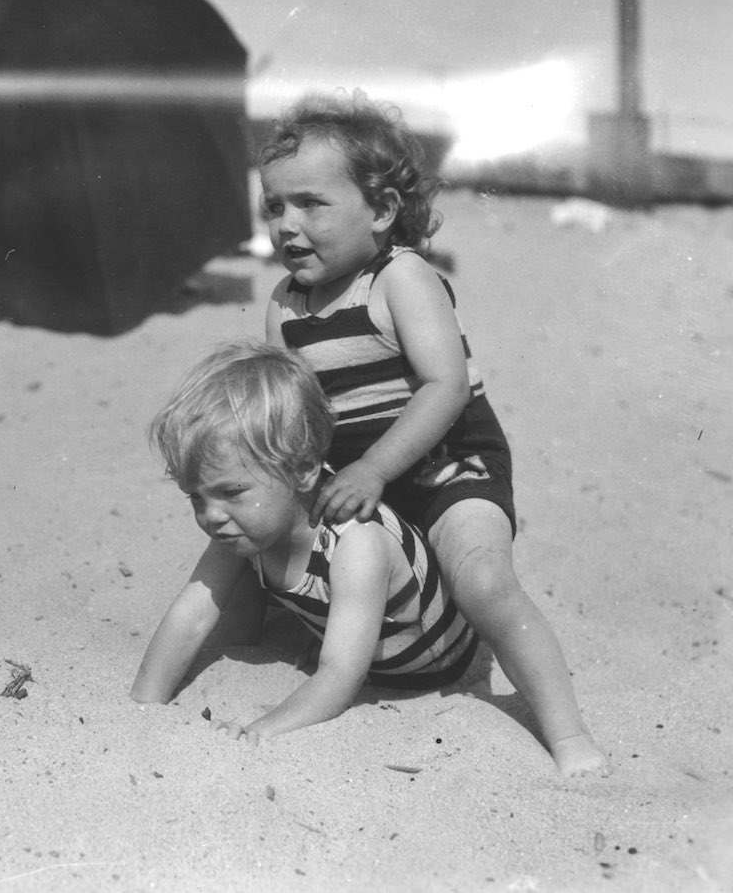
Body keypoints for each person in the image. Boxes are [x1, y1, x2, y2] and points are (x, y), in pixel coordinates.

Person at [257, 90, 607, 776]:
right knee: (254, 529)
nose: (287, 225)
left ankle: (568, 734)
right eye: (275, 206)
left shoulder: (402, 278)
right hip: (361, 480)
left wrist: (376, 469)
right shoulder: (283, 305)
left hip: (449, 463)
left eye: (312, 204)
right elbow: (289, 412)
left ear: (382, 211)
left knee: (482, 577)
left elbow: (445, 388)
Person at [131, 341, 479, 741]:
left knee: (254, 568)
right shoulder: (246, 524)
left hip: (427, 667)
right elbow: (190, 616)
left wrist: (260, 730)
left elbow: (340, 676)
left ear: (304, 472)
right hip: (352, 631)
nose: (210, 515)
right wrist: (144, 705)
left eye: (230, 492)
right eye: (196, 496)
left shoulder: (355, 542)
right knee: (228, 576)